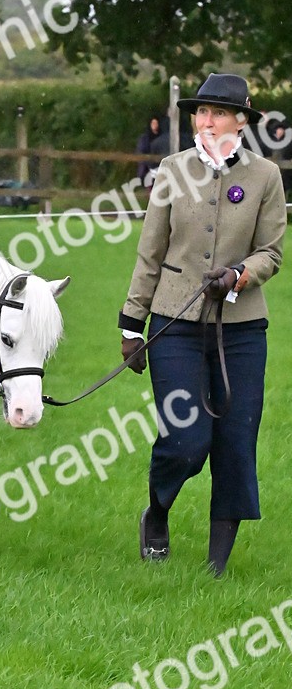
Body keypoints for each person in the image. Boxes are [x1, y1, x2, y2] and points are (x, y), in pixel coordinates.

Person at [119, 73, 286, 577]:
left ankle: (216, 569)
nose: (206, 121)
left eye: (218, 112)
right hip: (174, 324)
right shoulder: (172, 169)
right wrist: (132, 325)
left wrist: (239, 274)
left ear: (241, 121)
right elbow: (150, 251)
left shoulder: (266, 176)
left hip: (242, 330)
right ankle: (157, 512)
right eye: (201, 112)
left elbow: (271, 252)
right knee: (186, 441)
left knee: (236, 443)